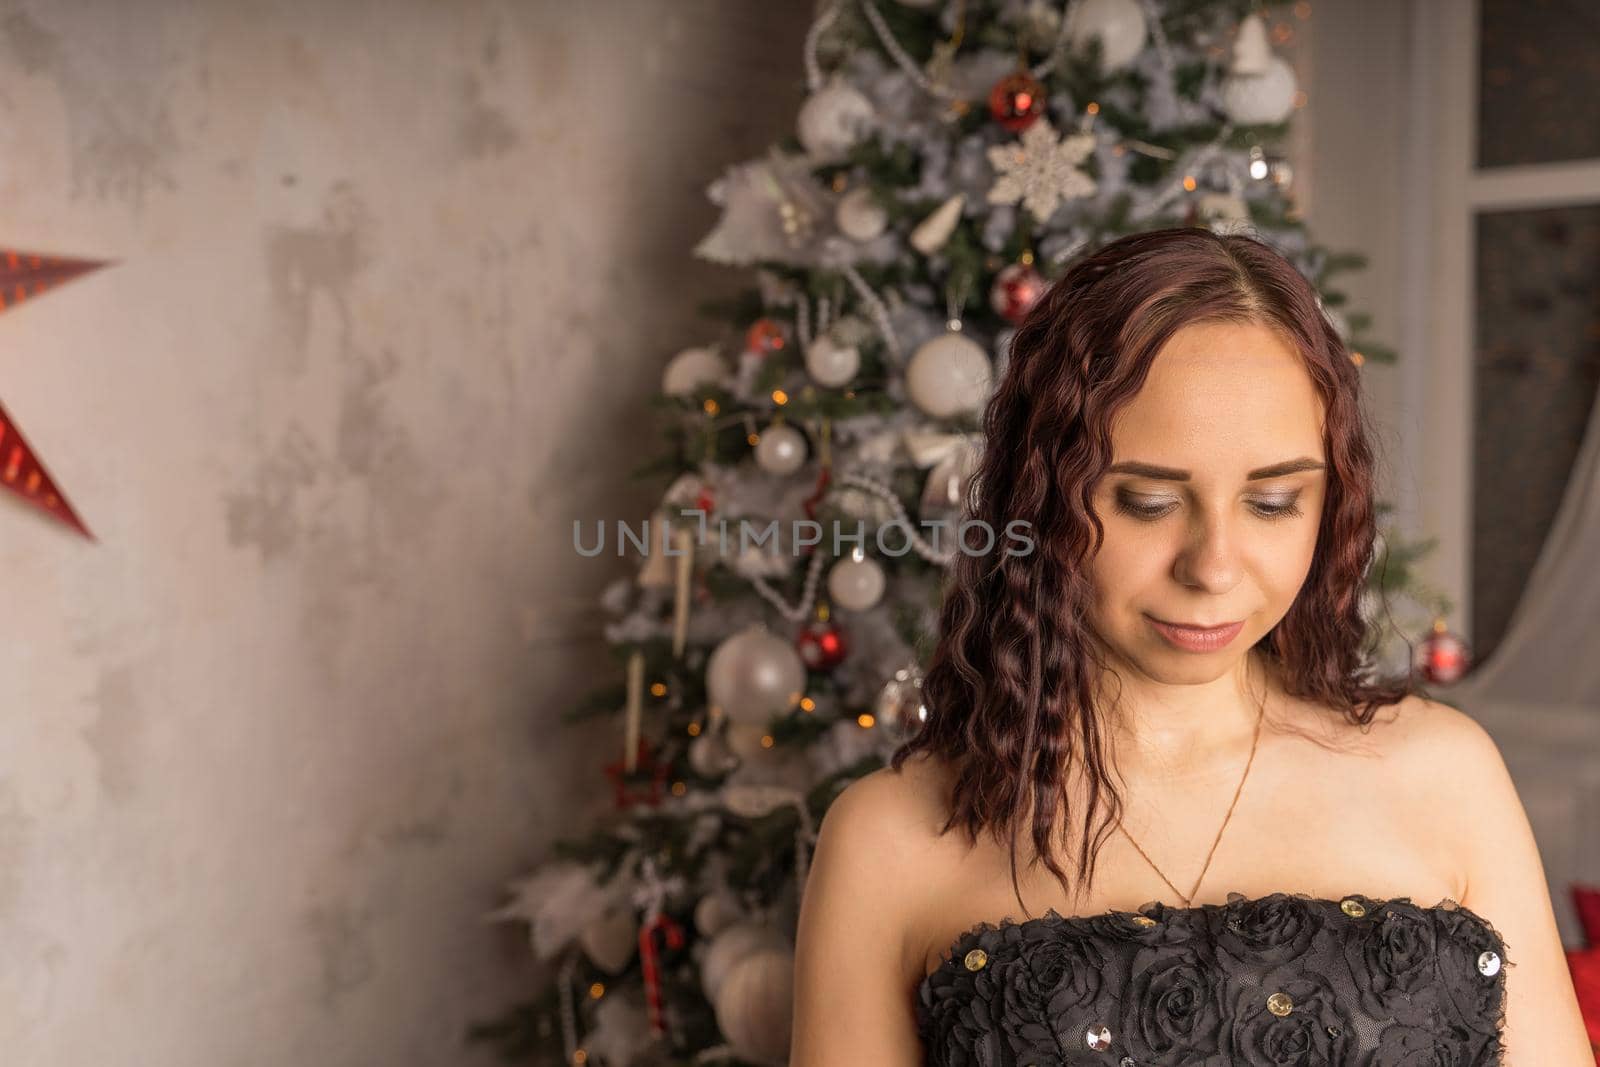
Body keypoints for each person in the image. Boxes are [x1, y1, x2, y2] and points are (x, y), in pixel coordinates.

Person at [790, 228, 1590, 1065]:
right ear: (1039, 500)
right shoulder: (889, 840)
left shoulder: (1445, 774)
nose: (1212, 567)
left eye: (1274, 501)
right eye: (1145, 501)